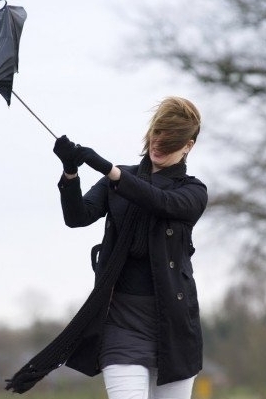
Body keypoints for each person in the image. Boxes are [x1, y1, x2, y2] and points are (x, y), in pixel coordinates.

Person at [52, 96, 208, 399]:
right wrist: (71, 173)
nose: (159, 144)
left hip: (173, 328)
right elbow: (77, 217)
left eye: (171, 141)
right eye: (157, 134)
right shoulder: (120, 180)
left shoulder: (192, 191)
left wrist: (110, 171)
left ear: (188, 145)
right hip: (121, 324)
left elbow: (160, 202)